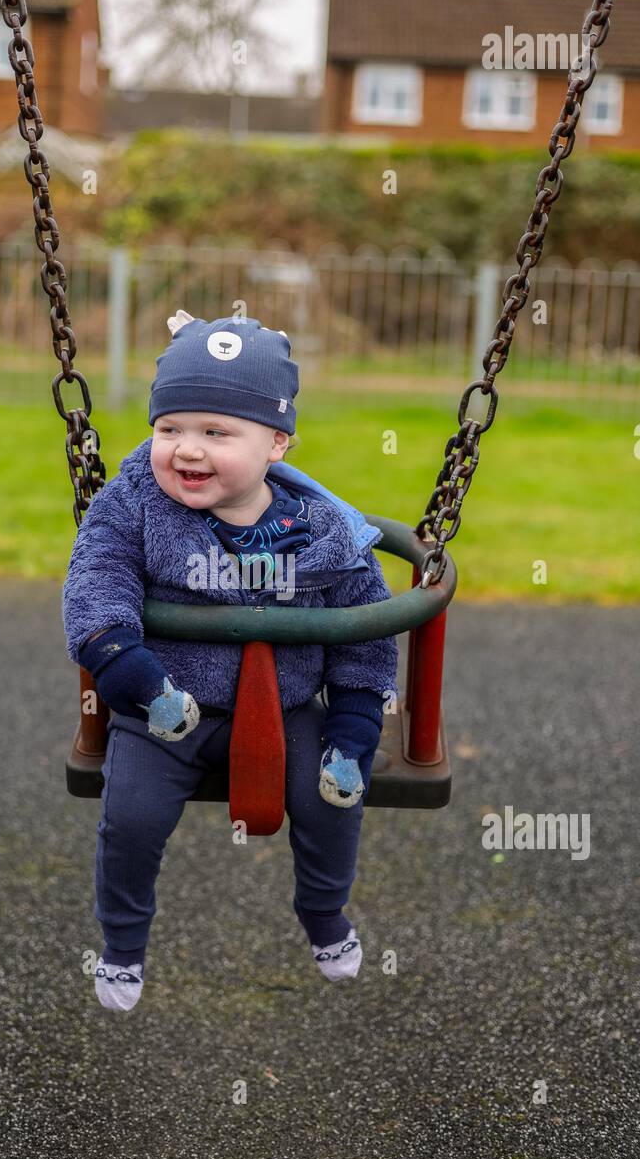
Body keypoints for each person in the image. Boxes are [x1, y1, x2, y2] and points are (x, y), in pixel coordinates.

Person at [62, 311, 398, 1011]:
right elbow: (97, 578)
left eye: (217, 432)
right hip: (163, 703)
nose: (187, 450)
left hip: (289, 706)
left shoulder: (323, 530)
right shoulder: (136, 505)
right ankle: (123, 944)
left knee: (334, 798)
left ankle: (324, 915)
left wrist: (358, 718)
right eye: (169, 428)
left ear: (276, 441)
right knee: (131, 818)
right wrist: (125, 666)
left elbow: (365, 625)